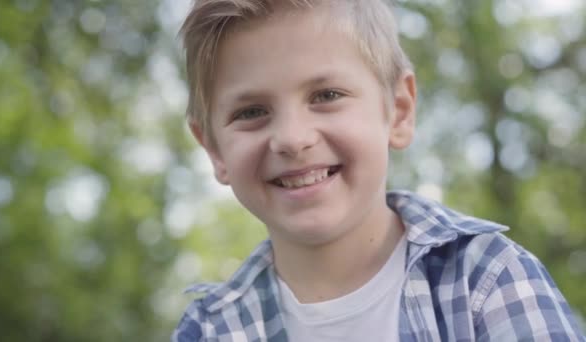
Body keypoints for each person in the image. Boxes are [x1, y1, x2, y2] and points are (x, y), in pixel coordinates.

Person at [172, 0, 585, 340]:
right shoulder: (210, 330)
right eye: (252, 112)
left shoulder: (487, 279)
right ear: (215, 150)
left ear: (399, 111)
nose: (293, 138)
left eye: (326, 95)